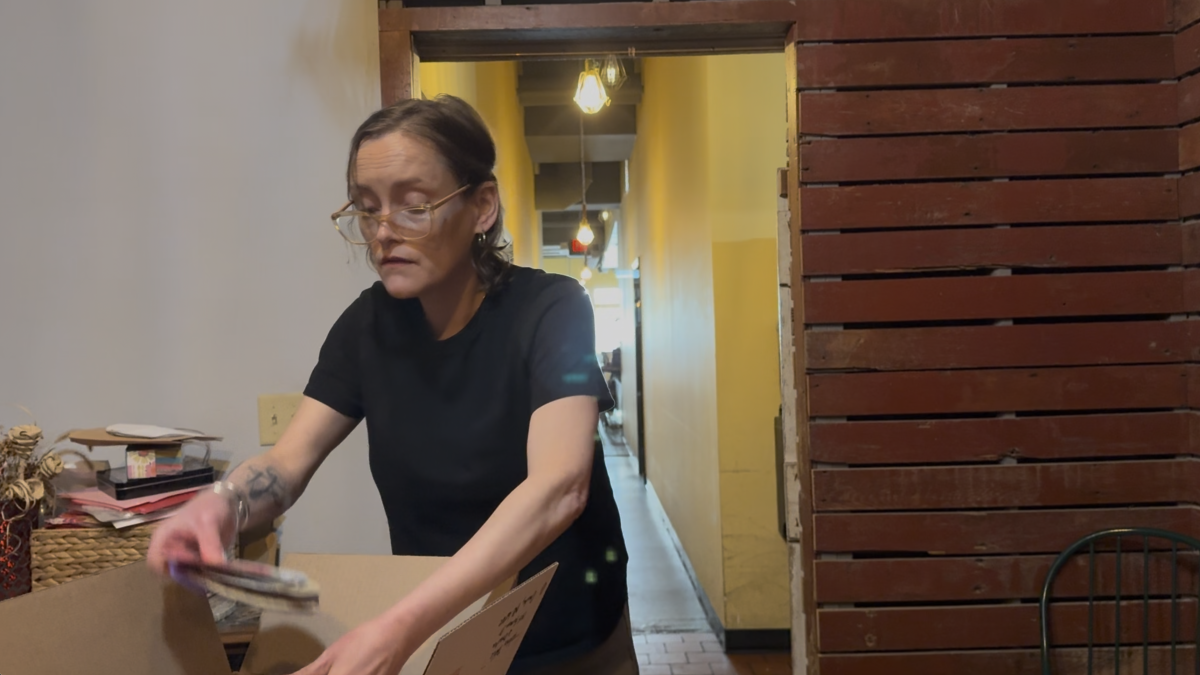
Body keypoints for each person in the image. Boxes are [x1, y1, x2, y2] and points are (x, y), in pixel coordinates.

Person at [146, 94, 635, 675]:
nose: (383, 232)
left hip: (572, 638)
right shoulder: (367, 327)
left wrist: (397, 628)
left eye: (414, 206)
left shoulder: (553, 309)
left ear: (482, 206)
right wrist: (222, 504)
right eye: (367, 208)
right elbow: (286, 463)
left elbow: (559, 488)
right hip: (448, 634)